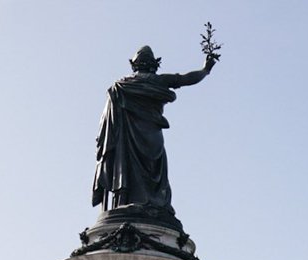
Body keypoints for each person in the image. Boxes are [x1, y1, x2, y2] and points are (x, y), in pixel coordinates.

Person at [92, 45, 218, 224]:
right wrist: (206, 70)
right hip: (152, 137)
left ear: (133, 65)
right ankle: (153, 204)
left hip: (125, 139)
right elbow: (186, 79)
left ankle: (124, 201)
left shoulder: (120, 86)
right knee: (153, 170)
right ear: (155, 64)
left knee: (125, 166)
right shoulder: (158, 81)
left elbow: (107, 123)